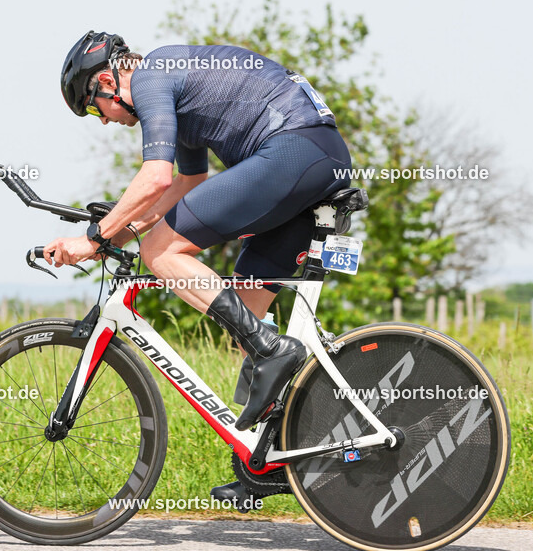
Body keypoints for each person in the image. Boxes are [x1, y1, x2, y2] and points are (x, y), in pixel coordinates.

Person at [45, 30, 352, 508]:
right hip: (310, 157)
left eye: (92, 109)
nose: (103, 122)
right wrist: (116, 235)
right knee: (247, 315)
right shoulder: (173, 89)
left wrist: (92, 239)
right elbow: (185, 184)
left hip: (294, 150)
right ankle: (270, 463)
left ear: (107, 80)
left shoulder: (150, 78)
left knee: (162, 255)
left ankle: (274, 353)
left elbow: (155, 177)